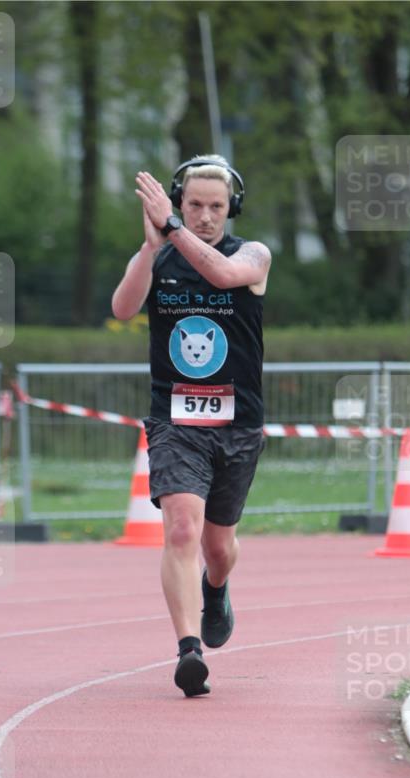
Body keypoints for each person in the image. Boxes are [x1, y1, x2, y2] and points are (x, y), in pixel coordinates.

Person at [111, 155, 271, 698]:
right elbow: (123, 307)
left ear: (232, 209)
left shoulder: (251, 254)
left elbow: (224, 275)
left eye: (216, 207)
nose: (204, 216)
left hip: (238, 423)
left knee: (219, 546)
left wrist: (173, 231)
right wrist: (151, 247)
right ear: (180, 202)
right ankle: (187, 651)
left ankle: (216, 589)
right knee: (181, 529)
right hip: (176, 419)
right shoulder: (160, 257)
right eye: (193, 205)